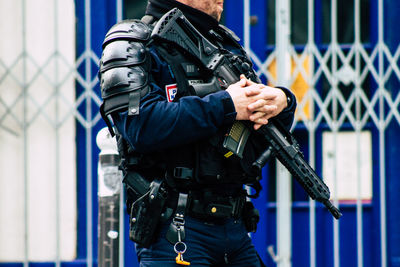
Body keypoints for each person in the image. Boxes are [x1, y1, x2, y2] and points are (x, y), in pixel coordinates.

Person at [99, 0, 296, 266]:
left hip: (235, 227)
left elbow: (257, 131)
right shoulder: (133, 42)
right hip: (176, 229)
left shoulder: (224, 44)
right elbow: (141, 126)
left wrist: (282, 102)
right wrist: (225, 105)